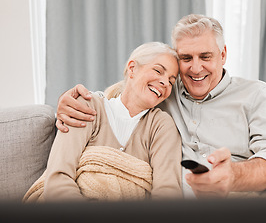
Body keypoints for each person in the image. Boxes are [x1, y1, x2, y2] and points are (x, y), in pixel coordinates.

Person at [56, 14, 266, 198]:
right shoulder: (165, 94)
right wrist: (76, 101)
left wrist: (234, 176)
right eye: (186, 58)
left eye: (205, 56)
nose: (195, 68)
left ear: (223, 54)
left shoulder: (256, 95)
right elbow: (126, 98)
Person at [24, 42, 182, 202]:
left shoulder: (162, 126)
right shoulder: (87, 106)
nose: (164, 82)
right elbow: (58, 177)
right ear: (132, 68)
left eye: (171, 81)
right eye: (158, 70)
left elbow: (167, 193)